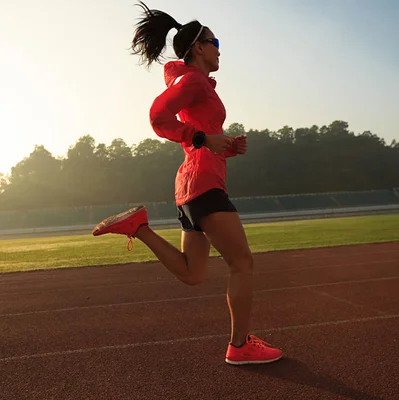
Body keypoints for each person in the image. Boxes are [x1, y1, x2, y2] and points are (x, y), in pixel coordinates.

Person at [92, 1, 283, 366]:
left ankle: (140, 228)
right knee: (242, 263)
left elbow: (201, 138)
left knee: (193, 273)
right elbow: (157, 116)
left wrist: (225, 146)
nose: (219, 49)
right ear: (198, 47)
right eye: (215, 42)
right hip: (204, 183)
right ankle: (240, 346)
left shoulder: (194, 83)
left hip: (192, 184)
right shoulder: (193, 80)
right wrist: (200, 139)